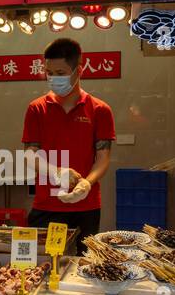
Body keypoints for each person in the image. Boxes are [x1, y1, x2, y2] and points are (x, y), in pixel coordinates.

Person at [22, 38, 115, 247]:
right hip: (46, 206)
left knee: (83, 267)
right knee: (45, 267)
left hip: (86, 206)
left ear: (78, 71)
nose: (54, 79)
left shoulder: (100, 110)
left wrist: (86, 183)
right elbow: (29, 154)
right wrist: (56, 172)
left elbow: (103, 158)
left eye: (61, 73)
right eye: (50, 73)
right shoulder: (37, 109)